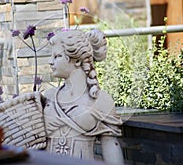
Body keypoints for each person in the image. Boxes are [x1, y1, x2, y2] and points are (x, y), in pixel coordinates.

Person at [41, 29, 124, 164]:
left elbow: (110, 144)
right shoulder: (49, 97)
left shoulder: (101, 100)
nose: (50, 61)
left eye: (57, 56)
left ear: (77, 61)